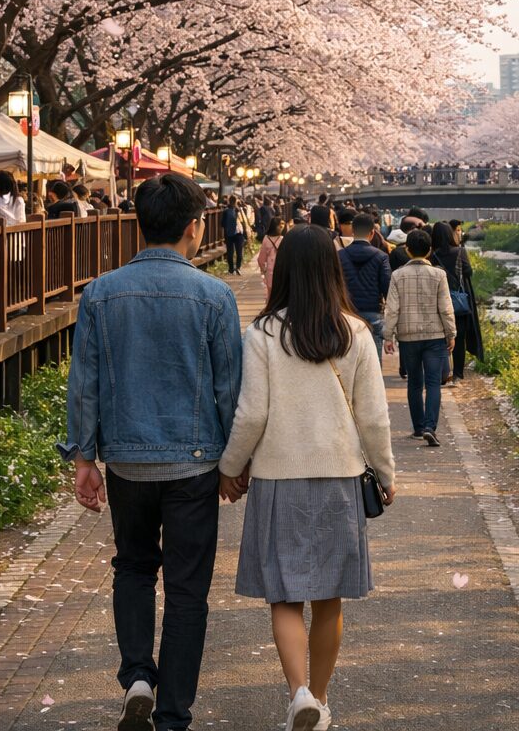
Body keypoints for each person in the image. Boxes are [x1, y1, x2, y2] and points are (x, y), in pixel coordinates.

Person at [58, 173, 243, 731]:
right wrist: (235, 465)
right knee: (188, 591)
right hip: (194, 462)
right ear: (195, 226)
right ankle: (172, 714)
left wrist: (85, 458)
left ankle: (138, 674)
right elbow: (229, 389)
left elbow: (84, 382)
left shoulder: (101, 292)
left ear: (139, 224)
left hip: (128, 462)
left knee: (133, 568)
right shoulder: (216, 296)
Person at [218, 225, 395, 731]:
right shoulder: (355, 332)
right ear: (330, 269)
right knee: (330, 597)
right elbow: (374, 417)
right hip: (340, 476)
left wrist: (230, 469)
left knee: (285, 595)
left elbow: (251, 414)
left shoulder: (263, 334)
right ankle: (319, 697)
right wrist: (386, 472)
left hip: (279, 478)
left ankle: (299, 694)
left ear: (285, 270)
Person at [383, 228, 456, 448]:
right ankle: (430, 427)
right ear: (430, 250)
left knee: (414, 382)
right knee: (433, 382)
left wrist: (388, 335)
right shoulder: (439, 275)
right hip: (435, 335)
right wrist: (451, 333)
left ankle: (417, 428)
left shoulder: (397, 275)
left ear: (407, 249)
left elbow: (392, 308)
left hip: (408, 336)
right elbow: (445, 308)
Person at [430, 220, 484, 380]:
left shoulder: (433, 255)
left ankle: (442, 371)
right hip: (458, 301)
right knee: (459, 338)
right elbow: (468, 271)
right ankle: (458, 374)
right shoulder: (459, 251)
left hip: (439, 301)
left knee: (442, 336)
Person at [339, 213, 392, 362]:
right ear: (372, 233)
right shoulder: (381, 257)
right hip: (373, 313)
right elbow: (387, 287)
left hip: (346, 313)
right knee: (373, 361)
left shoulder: (339, 256)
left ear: (353, 231)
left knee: (347, 358)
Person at [257, 218, 286, 300]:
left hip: (270, 270)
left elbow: (261, 259)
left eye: (283, 224)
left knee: (270, 292)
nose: (281, 226)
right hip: (281, 269)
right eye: (280, 224)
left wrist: (263, 270)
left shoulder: (266, 238)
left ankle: (269, 309)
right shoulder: (283, 239)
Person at [223, 195, 246, 275]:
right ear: (236, 201)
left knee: (230, 252)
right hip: (239, 233)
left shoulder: (226, 211)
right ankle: (238, 268)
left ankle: (231, 269)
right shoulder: (239, 210)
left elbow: (222, 223)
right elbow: (244, 221)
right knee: (239, 252)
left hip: (229, 233)